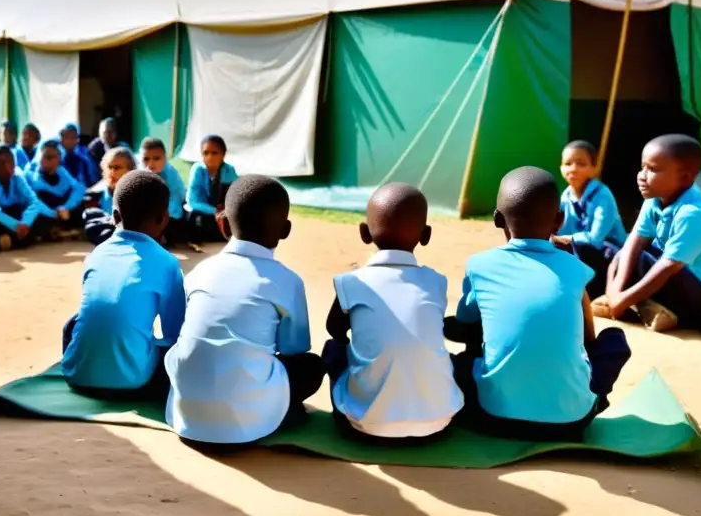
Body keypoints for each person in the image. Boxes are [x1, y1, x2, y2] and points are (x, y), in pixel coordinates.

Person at [445, 166, 631, 442]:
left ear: (498, 219)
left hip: (493, 418)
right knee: (614, 339)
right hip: (571, 423)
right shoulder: (575, 268)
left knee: (451, 353)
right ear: (559, 220)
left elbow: (464, 321)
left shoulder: (480, 265)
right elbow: (589, 338)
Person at [165, 175, 324, 450]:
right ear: (285, 230)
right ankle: (275, 411)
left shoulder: (199, 271)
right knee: (311, 366)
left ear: (223, 223)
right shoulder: (287, 280)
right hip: (244, 424)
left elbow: (181, 332)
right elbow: (293, 349)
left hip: (187, 417)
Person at [322, 183, 463, 445]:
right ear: (426, 235)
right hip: (438, 424)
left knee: (332, 348)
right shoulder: (436, 282)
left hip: (365, 427)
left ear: (364, 233)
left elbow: (335, 329)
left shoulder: (352, 282)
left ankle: (346, 412)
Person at [594, 135, 701, 334]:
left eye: (653, 169)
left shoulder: (693, 214)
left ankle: (655, 309)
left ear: (684, 178)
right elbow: (634, 243)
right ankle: (650, 308)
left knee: (644, 261)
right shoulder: (655, 200)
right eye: (642, 167)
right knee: (621, 253)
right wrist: (614, 292)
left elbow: (667, 268)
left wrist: (622, 300)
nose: (642, 175)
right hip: (691, 287)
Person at [61, 170, 185, 401]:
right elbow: (175, 332)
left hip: (76, 376)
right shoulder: (167, 262)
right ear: (164, 218)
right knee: (170, 347)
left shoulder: (96, 254)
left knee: (73, 324)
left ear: (114, 216)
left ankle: (86, 364)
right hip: (135, 383)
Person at [552, 140, 627, 297]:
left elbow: (595, 239)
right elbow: (557, 230)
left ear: (594, 168)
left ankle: (597, 293)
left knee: (583, 248)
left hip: (609, 253)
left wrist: (564, 239)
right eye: (567, 163)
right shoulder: (565, 196)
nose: (573, 169)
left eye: (580, 164)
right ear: (560, 168)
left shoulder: (602, 195)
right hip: (581, 249)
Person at [0, 144, 45, 249]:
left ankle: (8, 241)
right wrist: (15, 225)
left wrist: (26, 222)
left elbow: (33, 201)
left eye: (10, 162)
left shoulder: (17, 177)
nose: (7, 167)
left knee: (39, 217)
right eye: (1, 163)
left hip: (15, 217)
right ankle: (13, 240)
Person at [24, 140, 86, 235]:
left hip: (62, 212)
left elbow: (79, 189)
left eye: (55, 157)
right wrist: (53, 214)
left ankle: (61, 230)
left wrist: (66, 208)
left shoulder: (62, 172)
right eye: (47, 157)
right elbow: (33, 201)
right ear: (39, 157)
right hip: (45, 213)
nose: (50, 161)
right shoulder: (29, 174)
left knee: (83, 207)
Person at [185, 135, 238, 242]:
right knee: (193, 216)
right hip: (204, 211)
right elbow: (192, 201)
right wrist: (215, 211)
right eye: (206, 153)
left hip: (222, 213)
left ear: (223, 155)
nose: (209, 157)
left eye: (214, 153)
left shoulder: (229, 170)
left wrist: (225, 211)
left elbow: (234, 196)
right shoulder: (198, 170)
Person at [82, 147, 135, 246]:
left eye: (117, 167)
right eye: (109, 167)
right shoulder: (95, 193)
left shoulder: (137, 191)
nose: (112, 172)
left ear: (130, 170)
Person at [139, 137, 186, 245]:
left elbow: (177, 200)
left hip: (169, 217)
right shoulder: (138, 175)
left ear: (165, 158)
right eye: (146, 159)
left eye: (156, 158)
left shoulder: (171, 174)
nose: (150, 164)